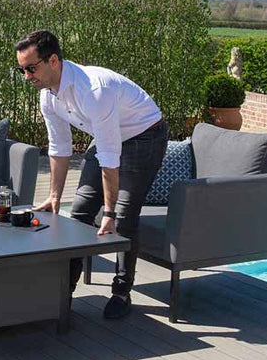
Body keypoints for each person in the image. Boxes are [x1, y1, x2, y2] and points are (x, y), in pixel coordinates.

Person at [15, 30, 168, 319]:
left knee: (122, 217)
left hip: (144, 135)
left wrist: (109, 211)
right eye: (21, 69)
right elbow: (59, 148)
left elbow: (110, 157)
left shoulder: (95, 90)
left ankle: (122, 291)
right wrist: (54, 196)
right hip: (109, 134)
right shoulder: (48, 97)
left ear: (53, 61)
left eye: (31, 68)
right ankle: (64, 290)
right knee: (80, 211)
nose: (26, 76)